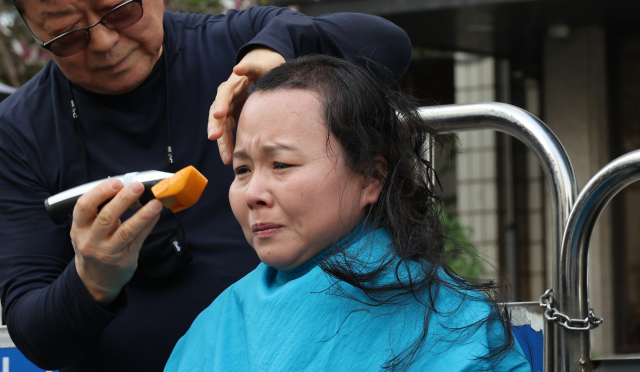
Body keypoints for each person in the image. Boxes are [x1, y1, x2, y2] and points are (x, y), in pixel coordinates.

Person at [0, 0, 412, 370]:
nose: (106, 41)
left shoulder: (233, 44)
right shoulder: (19, 132)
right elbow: (37, 338)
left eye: (120, 10)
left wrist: (275, 54)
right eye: (68, 35)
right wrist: (92, 279)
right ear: (37, 36)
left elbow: (389, 46)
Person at [164, 55, 531, 371]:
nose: (254, 194)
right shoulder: (216, 324)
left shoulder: (452, 324)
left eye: (281, 164)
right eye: (242, 170)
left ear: (371, 178)